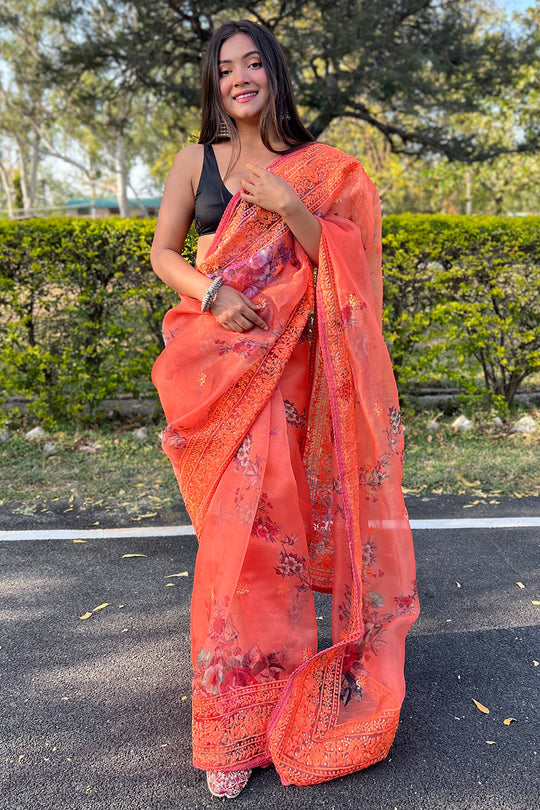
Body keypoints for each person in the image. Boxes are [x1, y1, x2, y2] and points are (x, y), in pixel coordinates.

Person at [151, 19, 419, 799]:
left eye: (252, 63)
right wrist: (216, 289)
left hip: (297, 377)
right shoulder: (194, 161)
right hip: (220, 371)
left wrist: (288, 204)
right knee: (237, 541)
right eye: (225, 67)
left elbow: (352, 259)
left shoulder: (322, 170)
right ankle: (232, 713)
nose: (239, 77)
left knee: (285, 536)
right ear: (213, 83)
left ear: (274, 73)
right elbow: (166, 253)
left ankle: (286, 687)